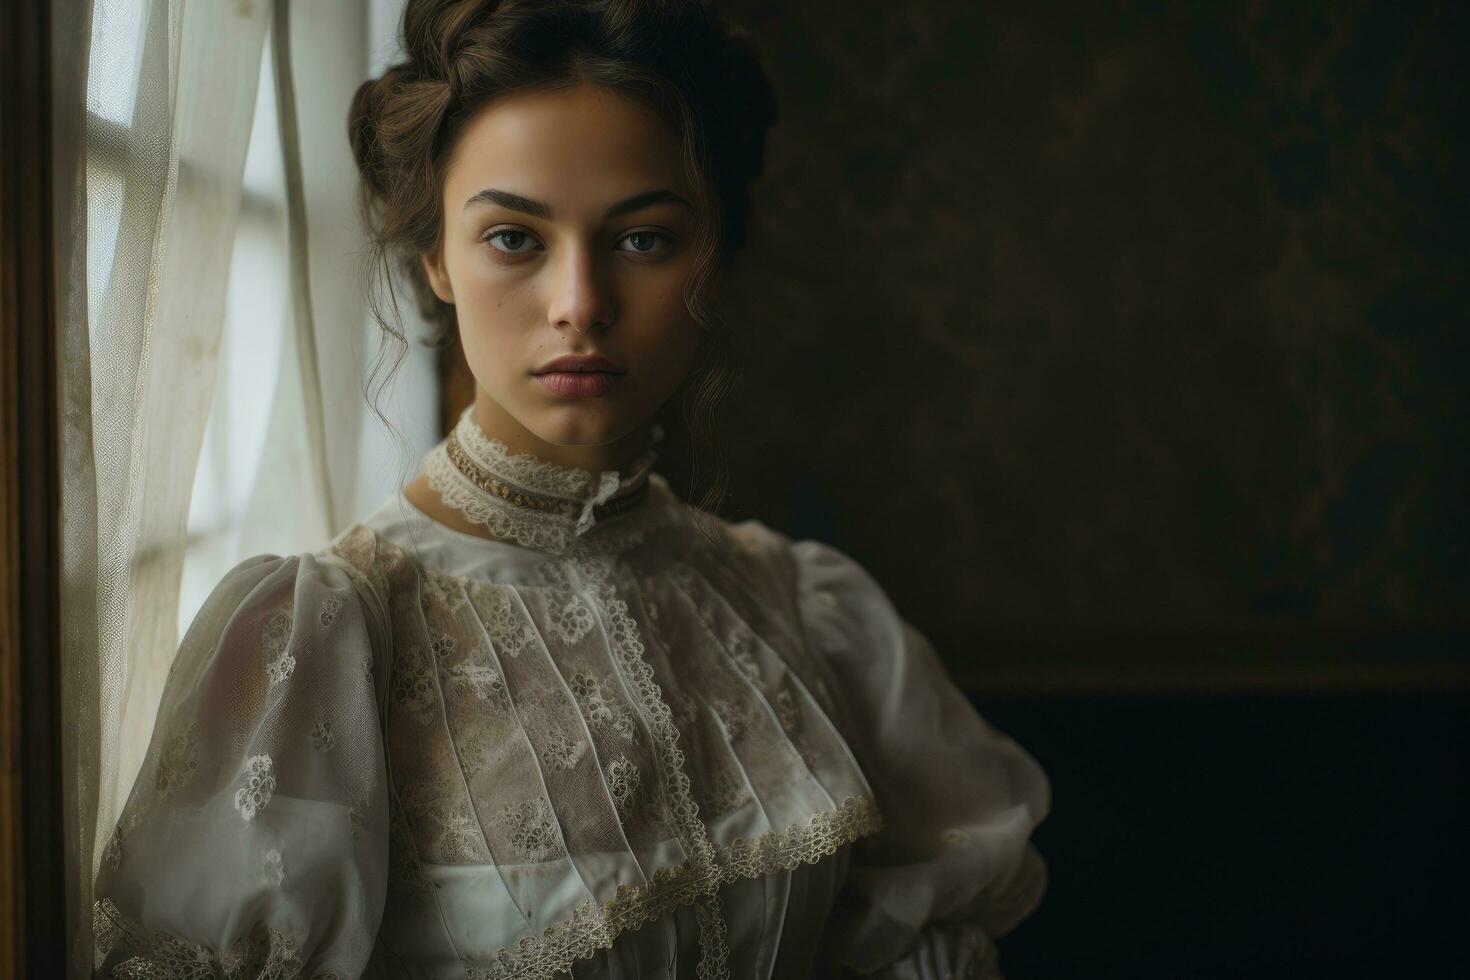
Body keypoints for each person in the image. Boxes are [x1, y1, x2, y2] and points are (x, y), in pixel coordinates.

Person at [89, 1, 1050, 977]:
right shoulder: (335, 632)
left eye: (643, 239)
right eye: (514, 237)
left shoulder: (796, 603)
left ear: (713, 252)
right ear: (437, 259)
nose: (580, 303)